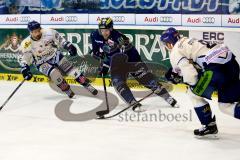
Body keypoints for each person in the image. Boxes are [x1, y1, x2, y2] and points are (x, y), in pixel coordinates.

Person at [161, 27, 240, 137]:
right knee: (225, 106)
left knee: (192, 93)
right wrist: (179, 75)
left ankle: (209, 125)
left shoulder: (175, 51)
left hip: (215, 70)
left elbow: (191, 76)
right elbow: (197, 62)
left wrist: (185, 82)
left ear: (169, 43)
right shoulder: (188, 40)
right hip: (231, 62)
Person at [90, 17, 178, 112]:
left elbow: (119, 57)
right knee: (117, 82)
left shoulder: (120, 38)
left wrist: (106, 64)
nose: (104, 33)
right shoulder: (94, 35)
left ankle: (168, 98)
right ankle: (132, 102)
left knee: (147, 80)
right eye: (102, 30)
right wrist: (100, 58)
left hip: (132, 60)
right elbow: (95, 52)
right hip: (116, 62)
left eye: (106, 30)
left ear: (111, 29)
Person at [19, 20, 98, 98]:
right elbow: (24, 57)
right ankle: (67, 90)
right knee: (55, 75)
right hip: (41, 62)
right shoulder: (26, 43)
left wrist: (69, 46)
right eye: (35, 32)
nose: (38, 33)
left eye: (39, 30)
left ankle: (87, 85)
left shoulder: (49, 32)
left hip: (54, 55)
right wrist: (25, 68)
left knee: (72, 71)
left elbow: (61, 40)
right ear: (30, 32)